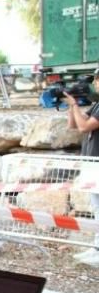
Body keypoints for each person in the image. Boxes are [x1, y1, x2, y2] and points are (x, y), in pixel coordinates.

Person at [63, 78, 99, 263]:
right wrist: (71, 106)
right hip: (92, 164)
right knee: (96, 208)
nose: (96, 83)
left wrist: (75, 104)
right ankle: (96, 248)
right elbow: (74, 125)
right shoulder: (97, 105)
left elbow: (85, 127)